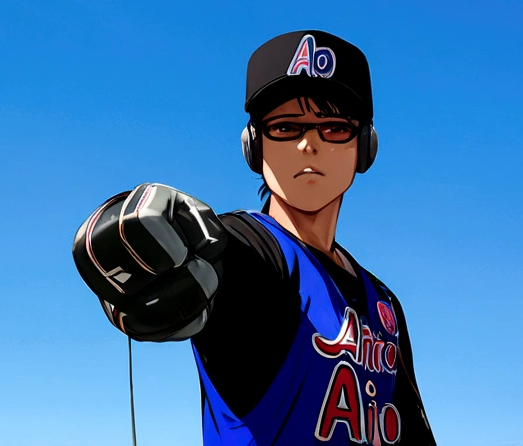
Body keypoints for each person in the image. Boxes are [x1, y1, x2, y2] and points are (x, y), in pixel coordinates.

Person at [72, 30, 434, 445]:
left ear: (364, 146)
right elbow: (220, 253)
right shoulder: (253, 251)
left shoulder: (385, 302)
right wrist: (142, 233)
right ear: (254, 145)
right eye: (285, 127)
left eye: (333, 127)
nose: (307, 144)